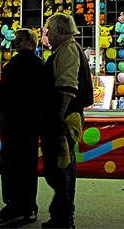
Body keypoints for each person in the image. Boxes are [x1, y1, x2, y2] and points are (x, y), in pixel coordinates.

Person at [41, 14, 91, 229]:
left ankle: (64, 218)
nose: (47, 35)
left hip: (65, 117)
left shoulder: (68, 50)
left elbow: (67, 87)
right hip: (62, 116)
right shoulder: (64, 50)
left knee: (62, 169)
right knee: (59, 169)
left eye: (49, 31)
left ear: (60, 31)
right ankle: (60, 215)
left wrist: (58, 117)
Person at [0, 28, 45, 222]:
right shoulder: (12, 65)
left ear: (32, 44)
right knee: (10, 165)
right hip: (15, 121)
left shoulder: (38, 66)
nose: (16, 43)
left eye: (20, 40)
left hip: (25, 122)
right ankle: (13, 204)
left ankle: (28, 205)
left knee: (25, 165)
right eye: (16, 40)